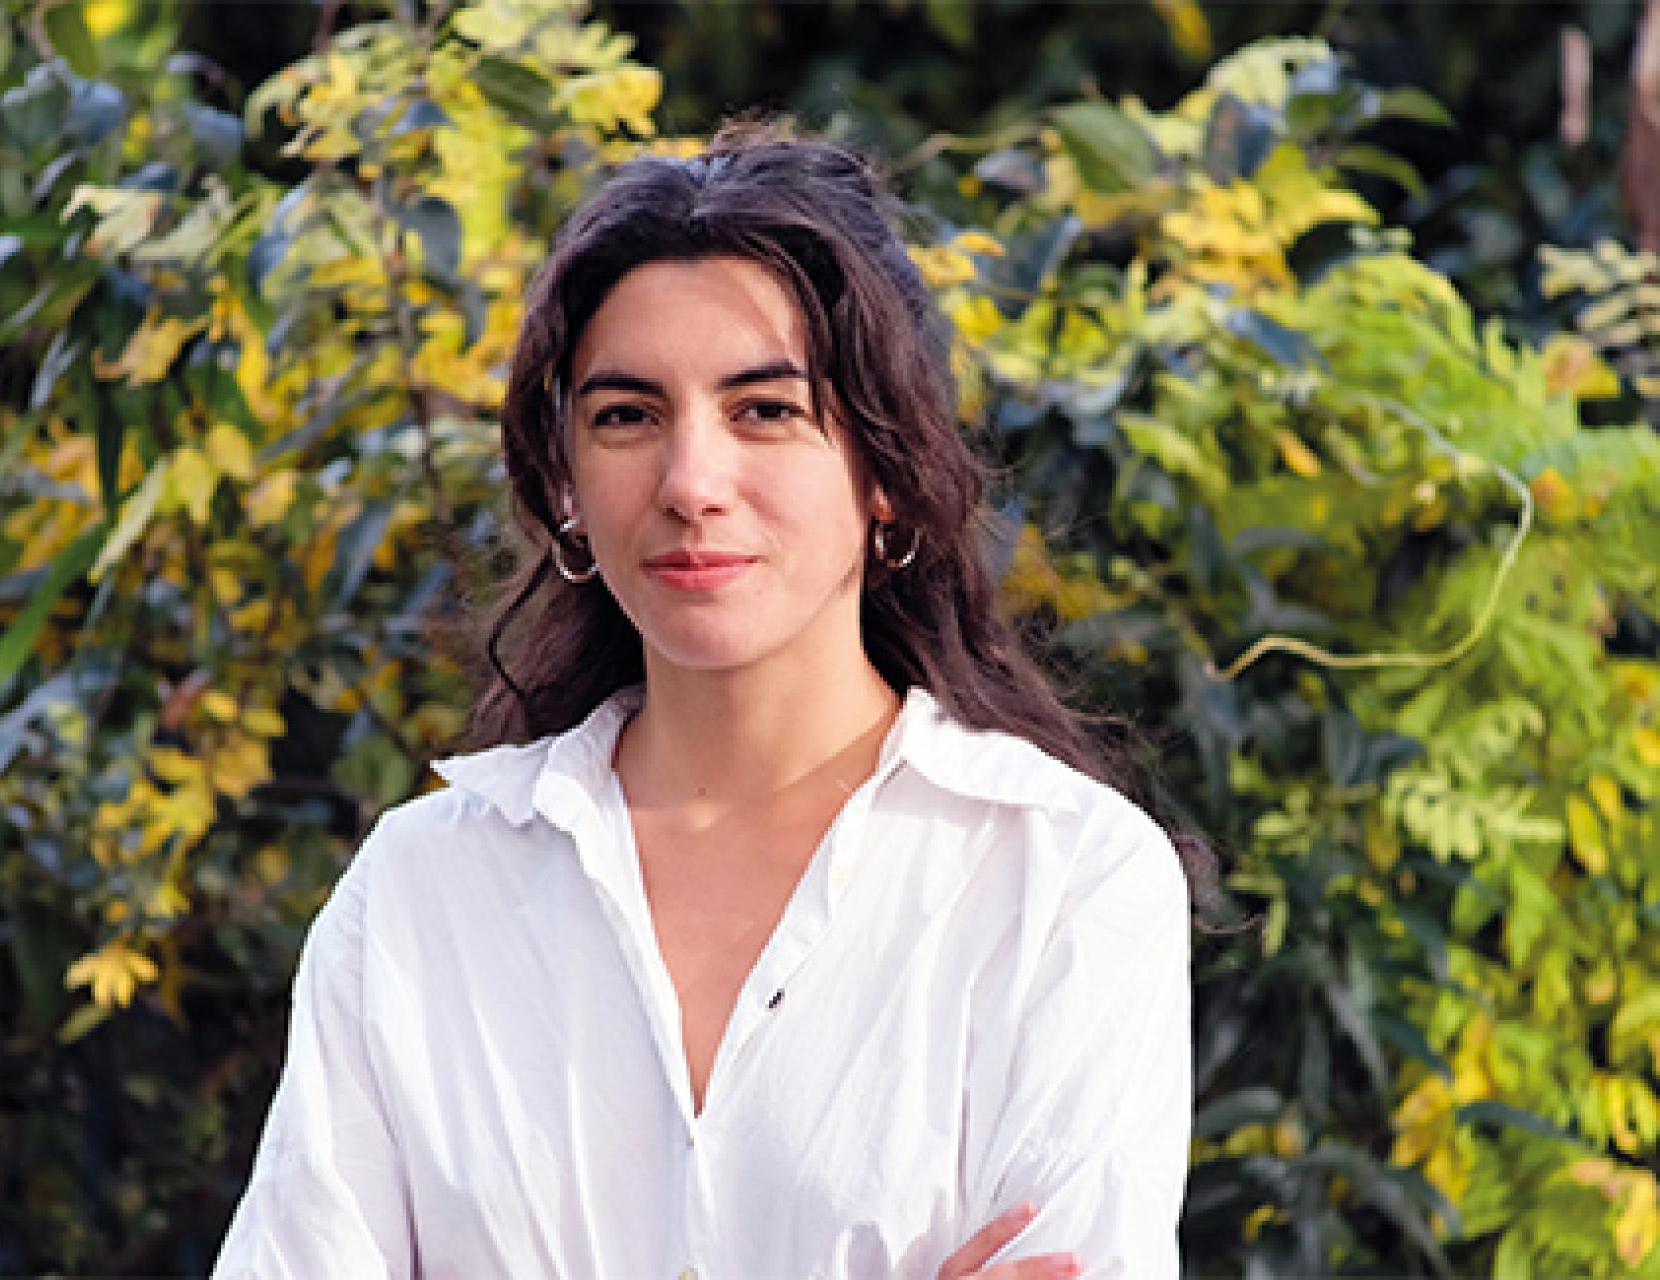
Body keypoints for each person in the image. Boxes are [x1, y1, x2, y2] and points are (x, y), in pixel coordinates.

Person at [213, 121, 1194, 1280]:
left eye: (765, 409)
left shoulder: (1063, 881)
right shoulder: (420, 897)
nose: (690, 483)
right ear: (566, 482)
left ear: (887, 465)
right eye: (627, 415)